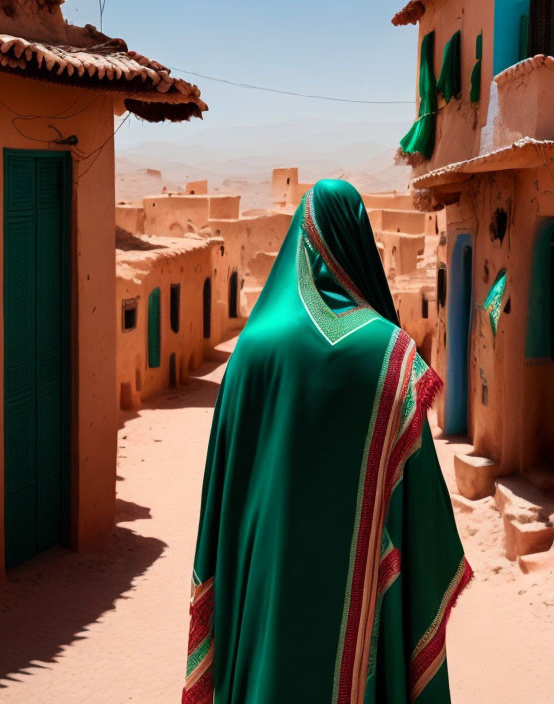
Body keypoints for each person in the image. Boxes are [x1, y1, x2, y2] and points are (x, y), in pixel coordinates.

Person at [183, 179, 471, 703]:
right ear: (358, 242)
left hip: (261, 619)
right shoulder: (392, 357)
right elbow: (421, 513)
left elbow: (220, 502)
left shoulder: (251, 352)